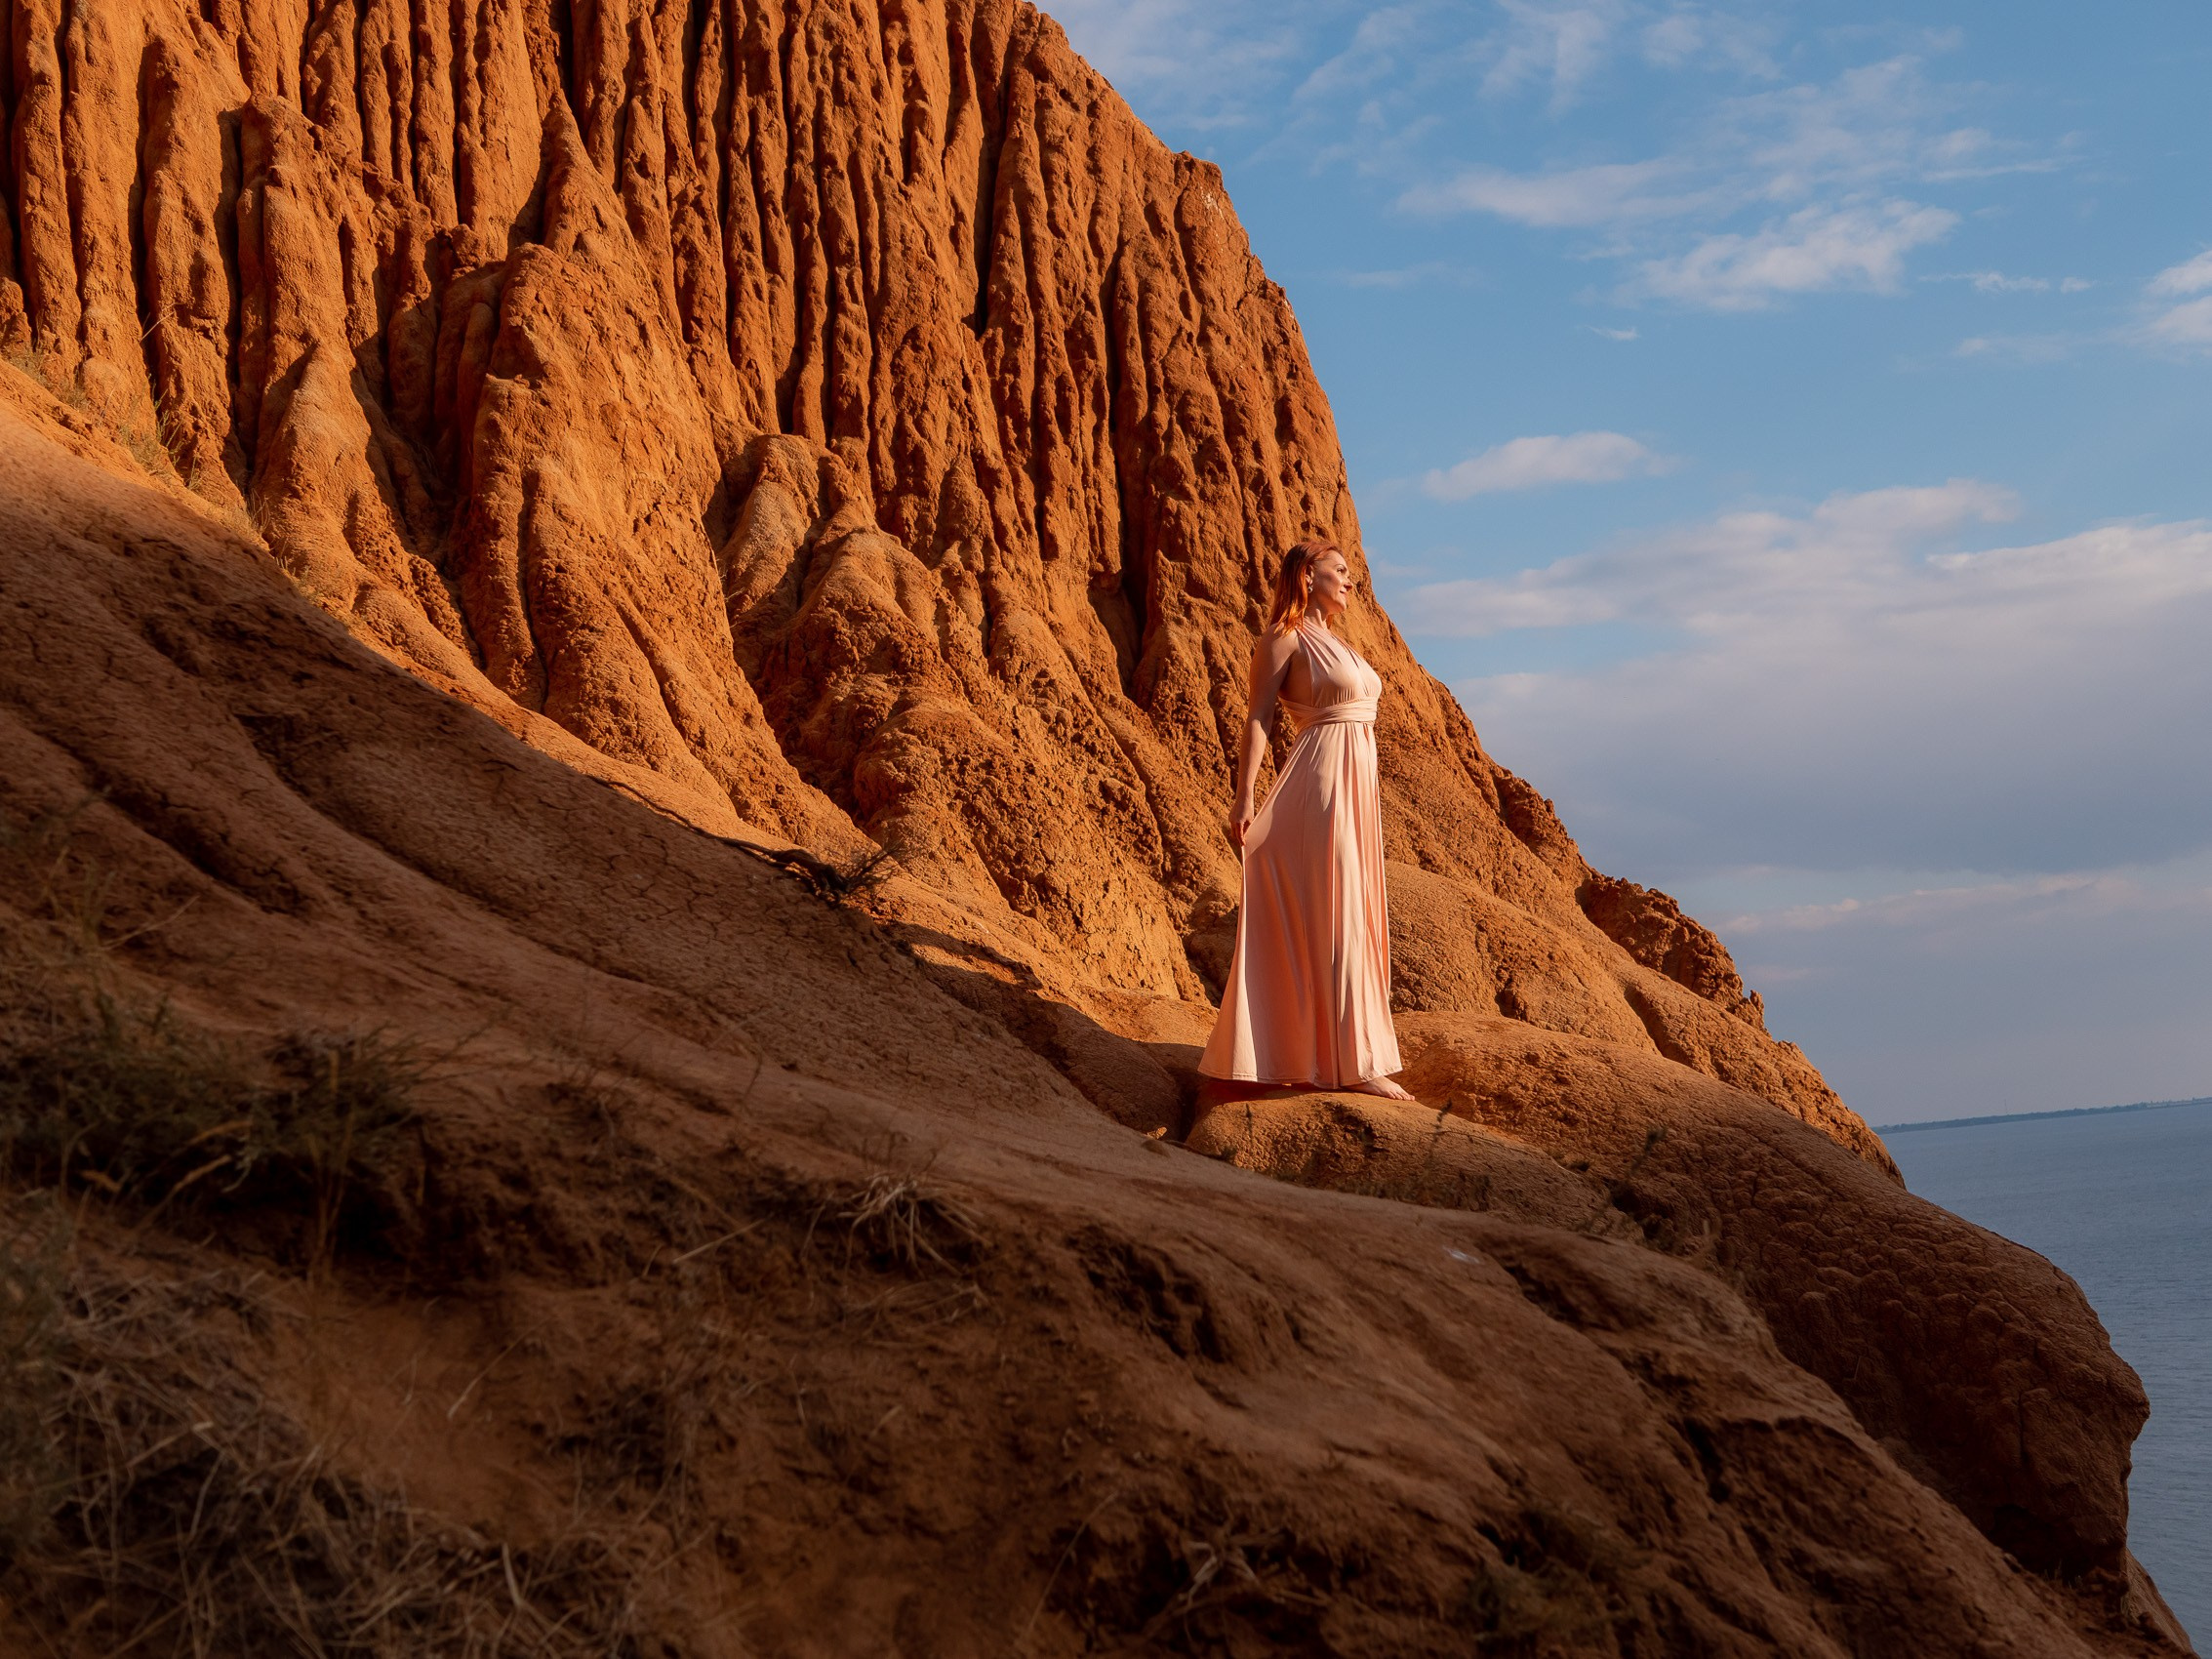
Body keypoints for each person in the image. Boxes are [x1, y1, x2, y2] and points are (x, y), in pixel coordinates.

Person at [1198, 540, 1413, 1100]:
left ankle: (1345, 1054)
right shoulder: (1283, 638)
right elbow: (1258, 718)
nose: (1350, 580)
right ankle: (1352, 1065)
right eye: (1339, 570)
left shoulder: (1338, 642)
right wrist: (1244, 797)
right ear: (1307, 576)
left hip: (1356, 787)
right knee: (1337, 910)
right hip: (1319, 785)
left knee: (1354, 907)